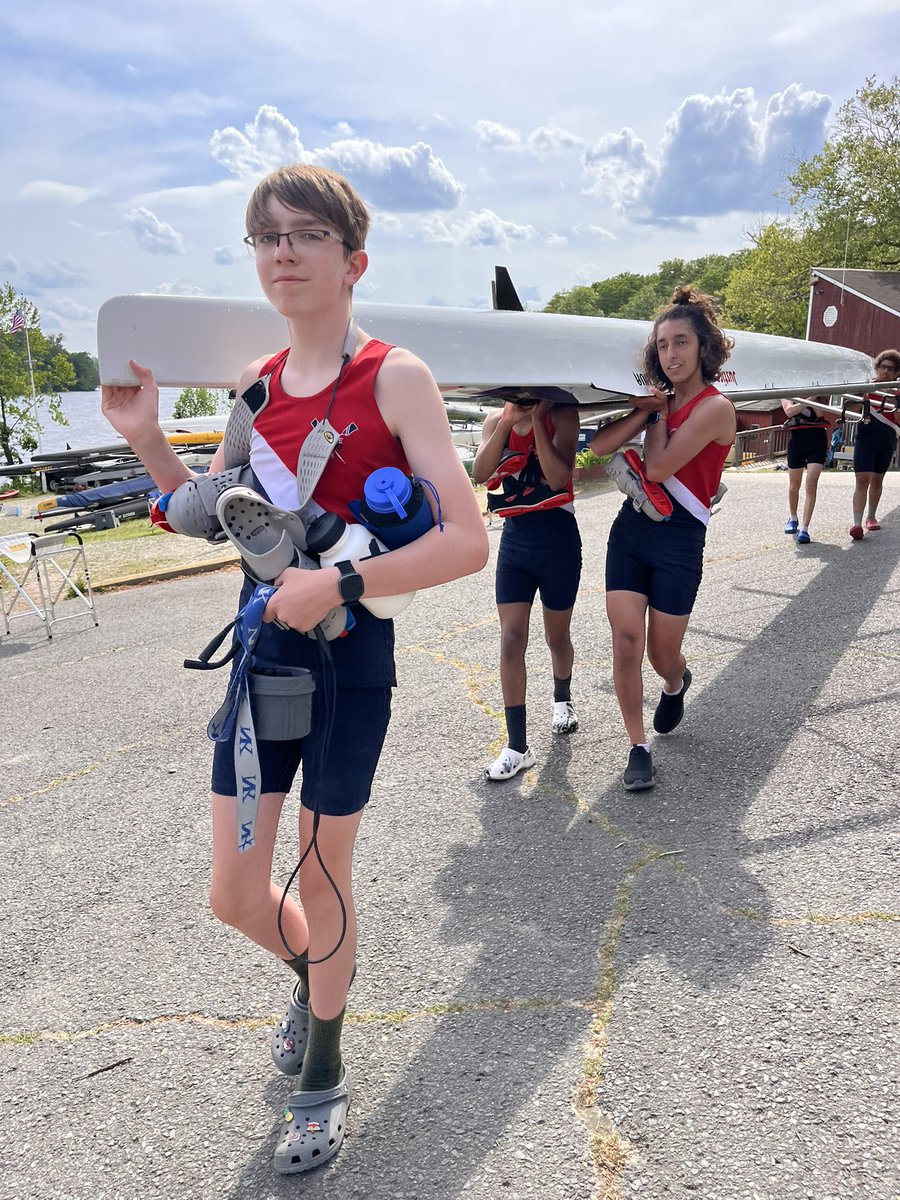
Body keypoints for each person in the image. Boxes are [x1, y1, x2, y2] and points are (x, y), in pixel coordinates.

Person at [101, 164, 488, 1175]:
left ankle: (323, 1065)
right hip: (263, 652)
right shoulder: (256, 390)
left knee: (323, 870)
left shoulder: (395, 379)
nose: (283, 250)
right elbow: (209, 511)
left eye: (307, 234)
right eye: (266, 235)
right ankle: (321, 971)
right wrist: (147, 440)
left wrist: (343, 587)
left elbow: (464, 541)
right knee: (234, 893)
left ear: (353, 260)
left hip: (352, 658)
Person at [589, 286, 736, 791]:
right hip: (632, 529)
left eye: (681, 343)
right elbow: (597, 449)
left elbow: (657, 465)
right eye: (663, 346)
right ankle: (637, 747)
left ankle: (676, 682)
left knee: (660, 653)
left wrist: (654, 414)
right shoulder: (659, 400)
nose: (671, 355)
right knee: (626, 643)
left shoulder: (717, 408)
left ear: (703, 349)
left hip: (680, 538)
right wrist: (644, 410)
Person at [472, 395, 582, 780]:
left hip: (558, 542)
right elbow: (480, 473)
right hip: (516, 542)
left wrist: (537, 420)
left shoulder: (563, 415)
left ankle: (562, 699)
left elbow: (556, 478)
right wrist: (506, 423)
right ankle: (517, 746)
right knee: (511, 638)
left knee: (557, 637)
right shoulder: (495, 420)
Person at [849, 348, 900, 539]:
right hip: (865, 437)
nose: (885, 372)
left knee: (877, 479)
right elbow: (851, 407)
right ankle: (856, 524)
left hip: (886, 439)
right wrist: (862, 392)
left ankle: (871, 516)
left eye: (891, 369)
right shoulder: (867, 387)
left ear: (897, 373)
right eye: (883, 367)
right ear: (876, 368)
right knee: (862, 479)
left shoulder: (897, 392)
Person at [780, 399, 835, 543]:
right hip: (797, 440)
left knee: (811, 484)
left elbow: (820, 413)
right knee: (794, 485)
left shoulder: (819, 394)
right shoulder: (789, 392)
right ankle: (793, 517)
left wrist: (815, 397)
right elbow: (789, 411)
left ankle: (805, 528)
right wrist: (809, 399)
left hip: (817, 439)